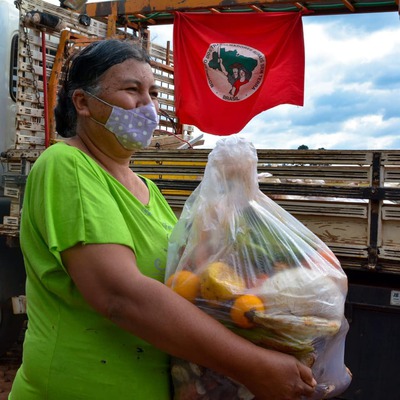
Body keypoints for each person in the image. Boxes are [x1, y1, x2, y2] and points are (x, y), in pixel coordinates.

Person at [9, 39, 316, 400]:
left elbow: (189, 282)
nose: (148, 105)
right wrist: (251, 364)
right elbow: (119, 295)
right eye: (131, 90)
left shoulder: (148, 190)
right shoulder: (66, 164)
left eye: (153, 92)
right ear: (83, 103)